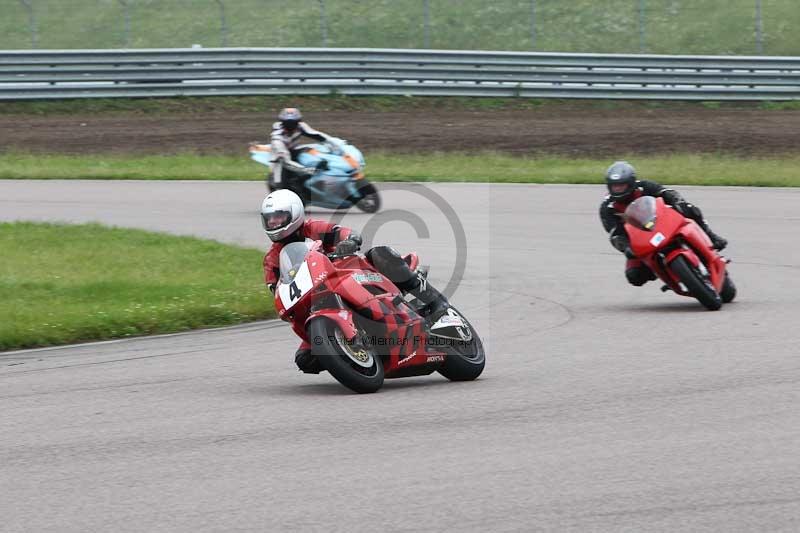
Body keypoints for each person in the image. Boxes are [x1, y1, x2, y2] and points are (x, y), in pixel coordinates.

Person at [260, 189, 448, 374]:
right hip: (317, 300)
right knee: (305, 359)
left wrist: (348, 241)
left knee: (380, 254)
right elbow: (277, 288)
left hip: (350, 274)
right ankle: (355, 353)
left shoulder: (314, 229)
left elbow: (344, 233)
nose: (273, 222)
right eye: (268, 218)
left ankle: (436, 301)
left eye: (278, 216)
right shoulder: (272, 259)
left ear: (295, 213)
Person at [599, 161, 728, 287]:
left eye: (622, 186)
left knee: (689, 208)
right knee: (634, 276)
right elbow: (615, 234)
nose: (618, 190)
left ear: (631, 183)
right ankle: (662, 271)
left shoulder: (645, 186)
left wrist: (678, 203)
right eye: (614, 186)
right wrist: (626, 247)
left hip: (663, 223)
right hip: (641, 240)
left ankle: (711, 237)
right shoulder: (607, 208)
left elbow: (668, 193)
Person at [267, 107, 345, 191]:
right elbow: (287, 162)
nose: (291, 126)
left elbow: (318, 135)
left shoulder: (300, 126)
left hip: (293, 150)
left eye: (294, 123)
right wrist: (308, 170)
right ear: (282, 123)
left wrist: (336, 145)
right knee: (279, 186)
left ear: (298, 122)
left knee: (314, 152)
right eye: (288, 124)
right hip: (280, 157)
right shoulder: (277, 139)